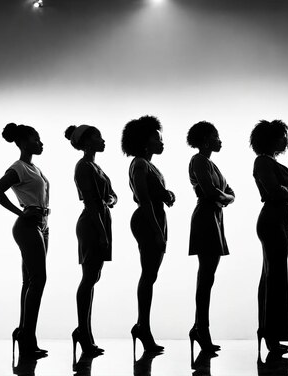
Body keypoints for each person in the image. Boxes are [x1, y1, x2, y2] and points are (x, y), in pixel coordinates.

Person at [0, 123, 48, 358]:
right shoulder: (19, 168)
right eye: (36, 139)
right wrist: (21, 212)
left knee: (30, 281)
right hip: (28, 225)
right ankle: (27, 336)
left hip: (42, 225)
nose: (40, 143)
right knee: (39, 278)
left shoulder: (34, 168)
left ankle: (25, 333)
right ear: (23, 143)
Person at [121, 115, 174, 354]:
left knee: (151, 275)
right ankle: (143, 327)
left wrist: (166, 194)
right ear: (144, 141)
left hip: (155, 217)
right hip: (147, 220)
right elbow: (143, 200)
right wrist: (156, 231)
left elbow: (153, 193)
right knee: (148, 275)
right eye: (156, 137)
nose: (161, 141)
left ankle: (143, 326)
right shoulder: (140, 164)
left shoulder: (148, 165)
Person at [250, 120, 288, 354]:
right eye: (281, 136)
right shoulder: (262, 161)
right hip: (271, 221)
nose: (285, 140)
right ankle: (270, 334)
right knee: (274, 276)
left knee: (274, 275)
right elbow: (275, 191)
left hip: (281, 222)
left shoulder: (275, 163)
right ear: (270, 138)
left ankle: (269, 332)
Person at [65, 124, 117, 356]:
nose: (103, 140)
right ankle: (82, 332)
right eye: (99, 137)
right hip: (92, 224)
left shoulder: (95, 166)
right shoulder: (83, 166)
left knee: (93, 277)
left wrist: (110, 201)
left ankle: (85, 331)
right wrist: (102, 233)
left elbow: (112, 195)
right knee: (88, 278)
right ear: (86, 143)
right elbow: (91, 202)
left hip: (100, 220)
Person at [186, 121, 234, 354]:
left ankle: (200, 328)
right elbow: (211, 192)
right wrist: (224, 197)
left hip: (214, 217)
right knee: (206, 276)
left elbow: (228, 193)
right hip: (206, 217)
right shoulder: (198, 161)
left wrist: (223, 196)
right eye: (216, 137)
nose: (219, 140)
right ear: (206, 141)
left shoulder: (211, 164)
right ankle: (200, 328)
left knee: (208, 276)